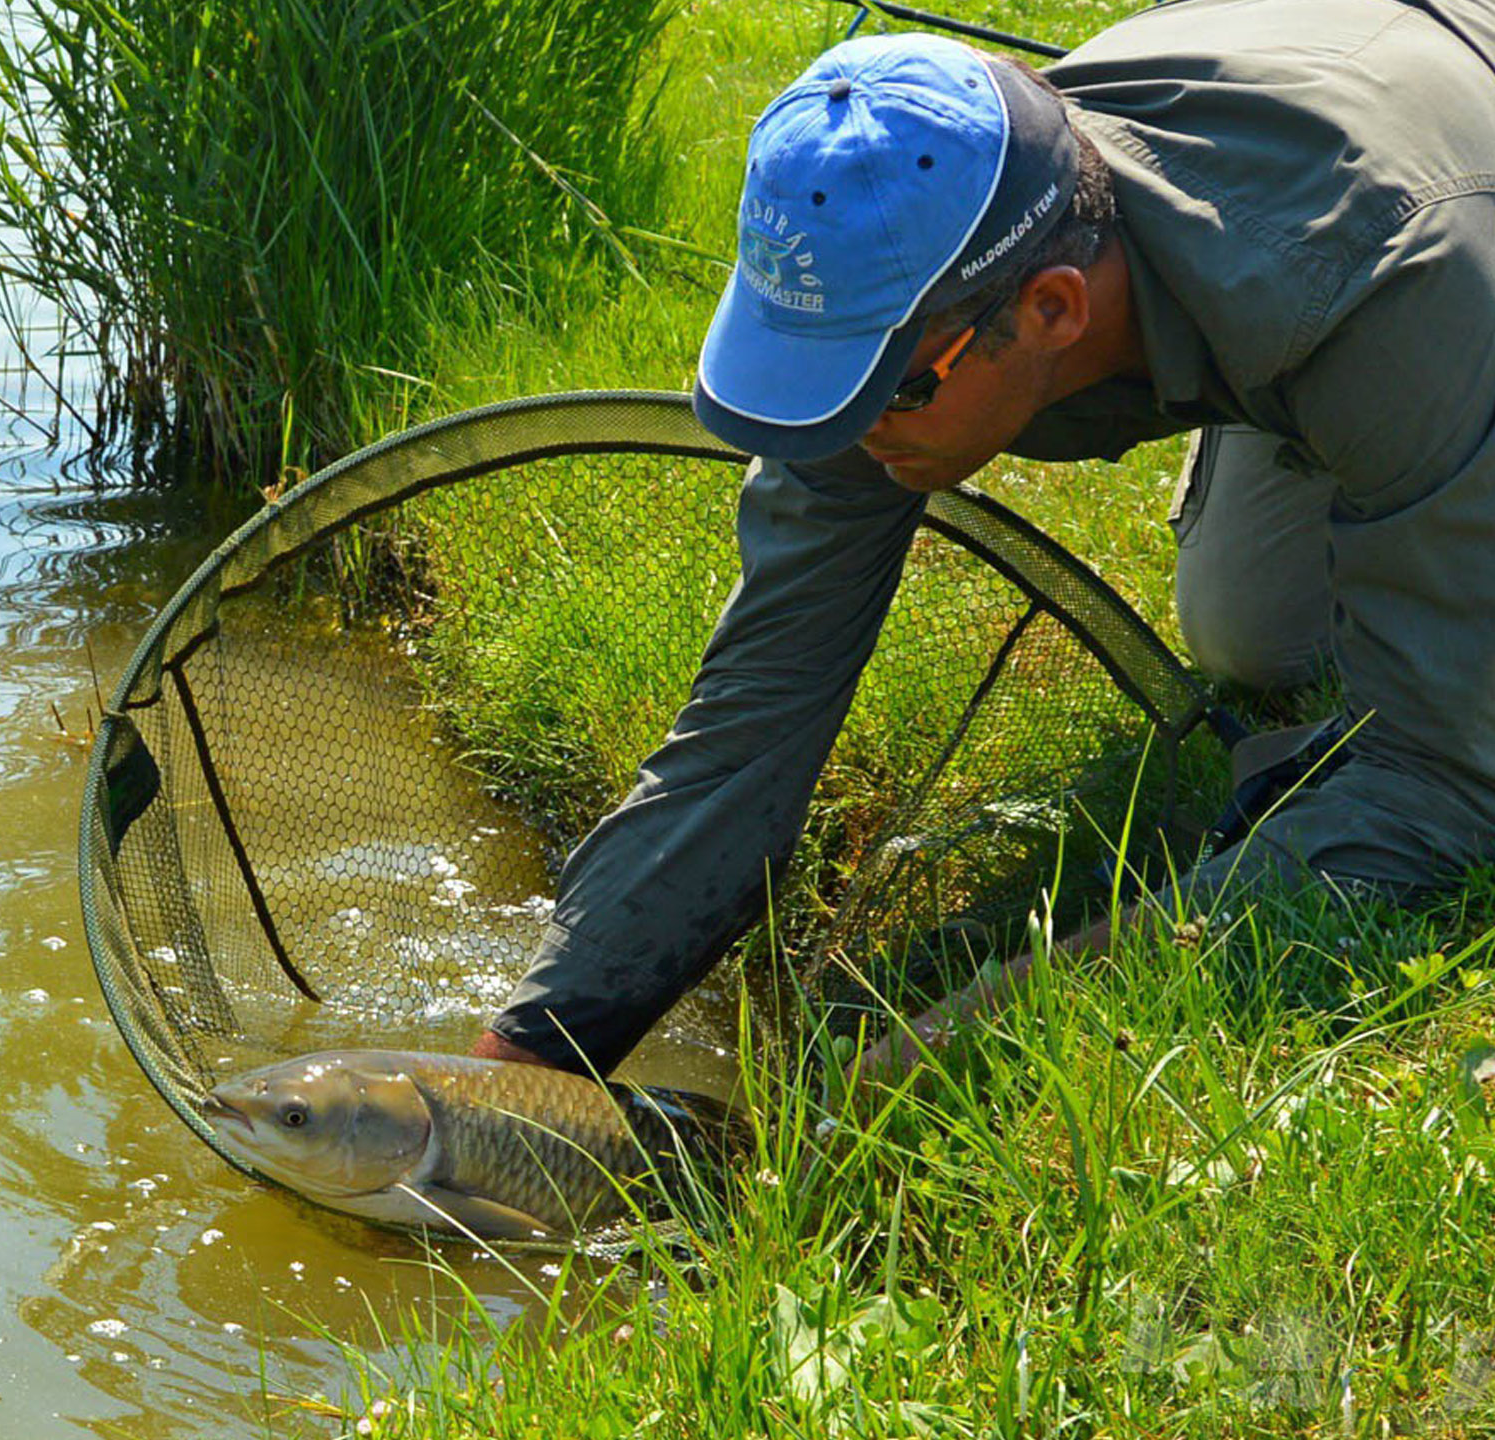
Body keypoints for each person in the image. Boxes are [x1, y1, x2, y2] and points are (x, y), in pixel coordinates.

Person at [472, 0, 1495, 1082]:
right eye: (823, 386)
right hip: (1328, 136)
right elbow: (755, 716)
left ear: (1054, 311)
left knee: (1386, 692)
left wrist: (973, 1033)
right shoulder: (946, 239)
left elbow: (1445, 794)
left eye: (889, 392)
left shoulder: (1401, 290)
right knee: (1256, 636)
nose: (846, 438)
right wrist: (522, 1067)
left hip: (1438, 250)